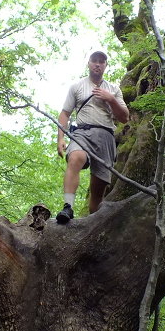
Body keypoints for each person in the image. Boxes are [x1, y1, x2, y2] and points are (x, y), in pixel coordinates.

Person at [55, 51, 129, 224]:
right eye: (94, 61)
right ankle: (68, 207)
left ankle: (93, 222)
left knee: (98, 187)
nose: (98, 64)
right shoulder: (77, 87)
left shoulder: (113, 89)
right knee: (75, 158)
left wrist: (111, 99)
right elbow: (65, 114)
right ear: (88, 63)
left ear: (105, 66)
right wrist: (60, 139)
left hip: (106, 137)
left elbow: (125, 118)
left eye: (101, 61)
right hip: (83, 132)